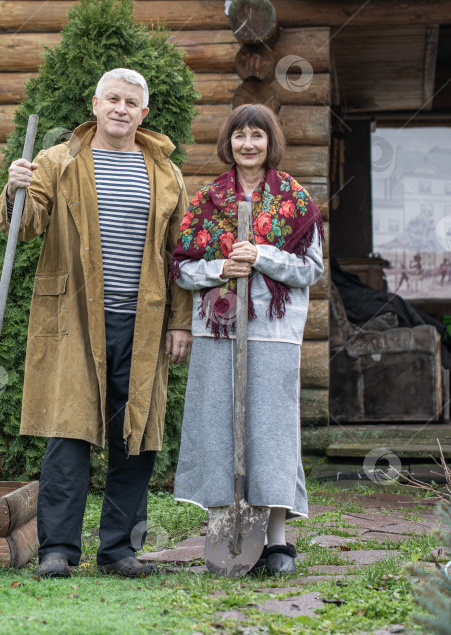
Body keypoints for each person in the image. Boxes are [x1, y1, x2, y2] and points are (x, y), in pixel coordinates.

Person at [0, 68, 193, 578]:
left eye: (131, 102)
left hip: (144, 322)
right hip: (75, 320)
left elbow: (180, 254)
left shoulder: (165, 173)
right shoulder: (56, 161)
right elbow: (25, 226)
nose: (120, 109)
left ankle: (119, 551)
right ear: (95, 104)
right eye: (112, 99)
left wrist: (181, 321)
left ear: (143, 113)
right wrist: (14, 190)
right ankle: (57, 550)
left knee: (135, 436)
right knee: (69, 432)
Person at [170, 103, 324, 575]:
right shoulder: (208, 199)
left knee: (272, 434)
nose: (248, 144)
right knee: (218, 428)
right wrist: (222, 267)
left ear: (270, 142)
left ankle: (276, 543)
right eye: (240, 135)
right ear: (229, 142)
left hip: (274, 333)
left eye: (258, 135)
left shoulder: (293, 198)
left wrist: (262, 256)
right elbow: (181, 269)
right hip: (217, 332)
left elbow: (311, 269)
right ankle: (226, 530)